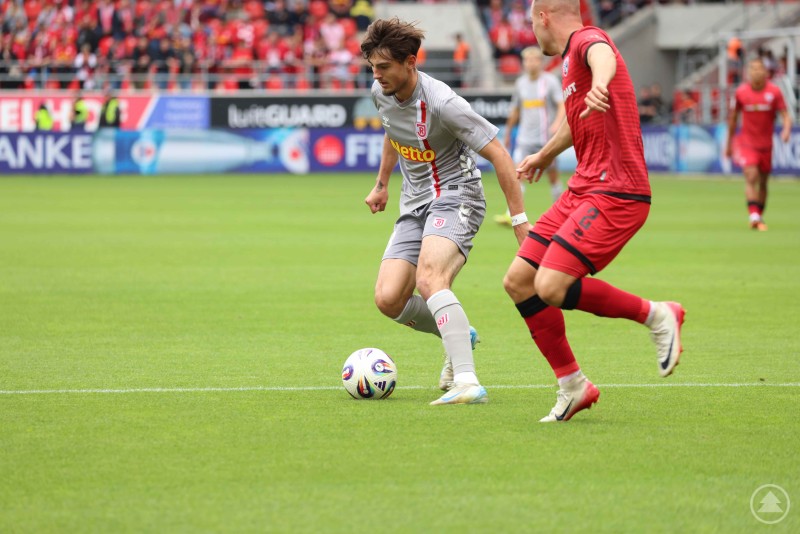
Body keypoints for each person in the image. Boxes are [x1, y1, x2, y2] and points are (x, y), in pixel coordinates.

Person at [504, 0, 686, 422]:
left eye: (532, 23)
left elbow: (602, 54)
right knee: (519, 281)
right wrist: (545, 155)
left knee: (550, 285)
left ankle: (659, 316)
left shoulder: (586, 41)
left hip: (616, 191)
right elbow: (575, 117)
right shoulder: (568, 62)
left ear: (543, 17)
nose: (533, 32)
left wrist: (603, 82)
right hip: (583, 187)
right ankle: (573, 385)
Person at [361, 17, 527, 405]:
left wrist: (519, 221)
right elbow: (392, 129)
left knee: (431, 278)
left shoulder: (444, 103)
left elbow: (499, 154)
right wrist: (383, 183)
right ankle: (457, 330)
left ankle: (467, 382)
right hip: (414, 202)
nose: (377, 74)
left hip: (458, 194)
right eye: (373, 67)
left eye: (384, 66)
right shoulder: (380, 92)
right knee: (388, 299)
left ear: (410, 62)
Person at [495, 45, 565, 227]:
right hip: (525, 138)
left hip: (546, 138)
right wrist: (509, 132)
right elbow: (516, 110)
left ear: (540, 63)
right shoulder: (520, 84)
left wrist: (557, 123)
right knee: (518, 172)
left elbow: (561, 105)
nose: (530, 63)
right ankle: (512, 213)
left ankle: (562, 212)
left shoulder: (550, 81)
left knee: (553, 176)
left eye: (534, 60)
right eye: (527, 60)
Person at [725, 57, 792, 231]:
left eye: (759, 69)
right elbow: (733, 119)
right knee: (751, 176)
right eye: (753, 69)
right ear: (748, 72)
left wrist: (786, 130)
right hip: (747, 143)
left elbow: (786, 115)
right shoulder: (741, 92)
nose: (756, 72)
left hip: (766, 145)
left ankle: (758, 216)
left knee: (763, 183)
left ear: (765, 72)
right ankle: (753, 216)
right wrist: (729, 144)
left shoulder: (774, 92)